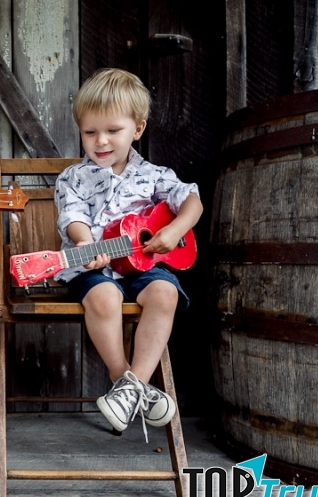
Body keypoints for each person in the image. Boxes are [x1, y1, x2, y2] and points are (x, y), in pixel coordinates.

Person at [54, 68, 203, 441]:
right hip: (93, 266)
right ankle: (126, 381)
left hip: (142, 267)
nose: (101, 141)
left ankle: (128, 389)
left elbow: (192, 201)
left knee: (165, 293)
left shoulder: (155, 175)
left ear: (137, 129)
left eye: (112, 130)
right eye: (90, 132)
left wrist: (174, 231)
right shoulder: (72, 178)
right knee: (105, 297)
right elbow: (73, 216)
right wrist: (85, 244)